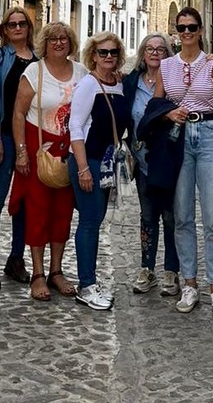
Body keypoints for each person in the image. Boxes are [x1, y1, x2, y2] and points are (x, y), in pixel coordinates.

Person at [153, 6, 213, 319]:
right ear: (176, 31)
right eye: (182, 27)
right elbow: (156, 105)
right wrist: (167, 113)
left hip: (212, 136)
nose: (187, 33)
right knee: (183, 215)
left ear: (200, 31)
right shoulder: (166, 66)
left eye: (192, 27)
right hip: (178, 139)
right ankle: (189, 282)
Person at [10, 22, 87, 301]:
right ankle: (38, 273)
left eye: (63, 38)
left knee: (63, 211)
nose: (58, 43)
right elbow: (18, 113)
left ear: (71, 42)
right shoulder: (34, 72)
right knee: (38, 209)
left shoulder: (81, 72)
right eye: (53, 39)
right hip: (38, 147)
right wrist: (21, 151)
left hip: (68, 148)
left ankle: (57, 271)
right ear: (45, 42)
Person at [68, 32, 130, 311]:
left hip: (107, 163)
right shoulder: (88, 85)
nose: (108, 57)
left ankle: (90, 281)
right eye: (102, 52)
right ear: (93, 55)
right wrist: (82, 168)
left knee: (97, 219)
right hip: (88, 161)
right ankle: (86, 285)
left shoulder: (119, 83)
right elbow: (75, 127)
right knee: (90, 221)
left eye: (113, 52)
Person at [0, 7, 36, 289]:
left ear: (28, 27)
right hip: (5, 137)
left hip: (31, 140)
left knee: (24, 201)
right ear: (4, 29)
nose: (16, 27)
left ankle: (16, 258)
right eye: (11, 23)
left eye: (21, 23)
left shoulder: (39, 60)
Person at [123, 33, 180, 298]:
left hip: (167, 159)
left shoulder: (175, 80)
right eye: (150, 48)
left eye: (161, 49)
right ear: (143, 53)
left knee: (170, 216)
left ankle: (171, 270)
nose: (155, 53)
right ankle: (147, 268)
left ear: (168, 54)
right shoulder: (132, 81)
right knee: (147, 217)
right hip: (142, 160)